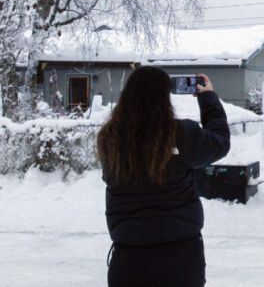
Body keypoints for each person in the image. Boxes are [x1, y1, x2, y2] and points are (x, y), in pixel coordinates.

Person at [97, 66, 230, 287]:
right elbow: (220, 142)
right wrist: (208, 99)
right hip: (181, 258)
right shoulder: (182, 134)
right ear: (164, 97)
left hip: (128, 260)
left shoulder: (110, 139)